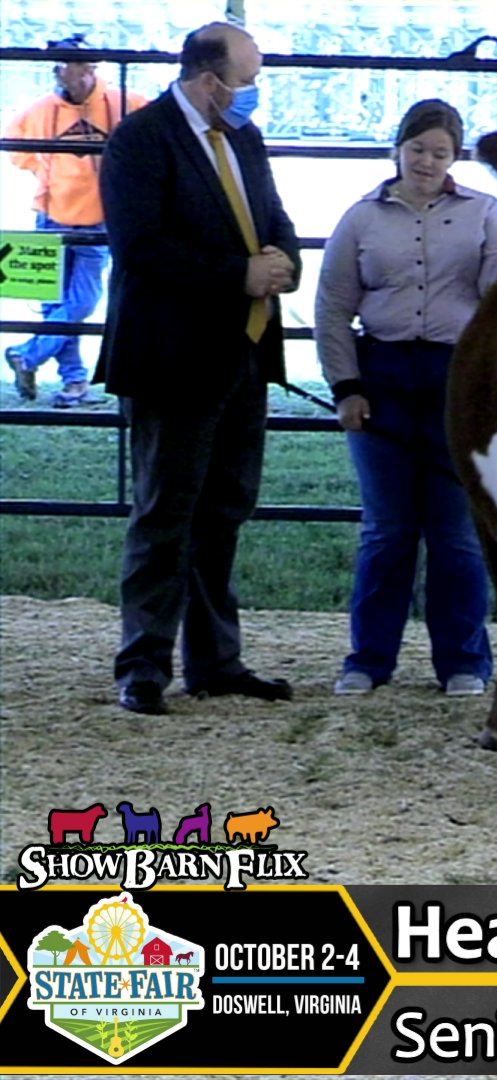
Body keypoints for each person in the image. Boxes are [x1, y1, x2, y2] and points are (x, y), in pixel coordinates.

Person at [98, 22, 301, 715]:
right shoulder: (140, 140)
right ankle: (144, 665)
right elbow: (141, 249)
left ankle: (216, 660)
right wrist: (237, 274)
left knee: (224, 511)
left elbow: (273, 218)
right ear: (210, 80)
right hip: (173, 357)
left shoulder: (242, 137)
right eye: (248, 79)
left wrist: (281, 262)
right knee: (165, 512)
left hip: (244, 354)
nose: (254, 93)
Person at [316, 99, 497, 698]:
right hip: (382, 373)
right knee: (388, 528)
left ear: (455, 158)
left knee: (456, 531)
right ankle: (368, 658)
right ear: (398, 149)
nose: (427, 161)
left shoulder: (485, 213)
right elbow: (333, 306)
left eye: (441, 152)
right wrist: (345, 386)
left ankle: (463, 660)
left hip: (458, 378)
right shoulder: (361, 219)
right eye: (418, 149)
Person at [4, 33, 147, 408]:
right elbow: (16, 148)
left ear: (88, 68)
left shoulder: (123, 103)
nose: (63, 72)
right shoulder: (40, 110)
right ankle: (75, 383)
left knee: (82, 300)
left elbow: (154, 133)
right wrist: (47, 170)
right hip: (52, 215)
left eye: (70, 64)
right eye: (59, 65)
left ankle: (28, 354)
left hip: (100, 219)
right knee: (55, 304)